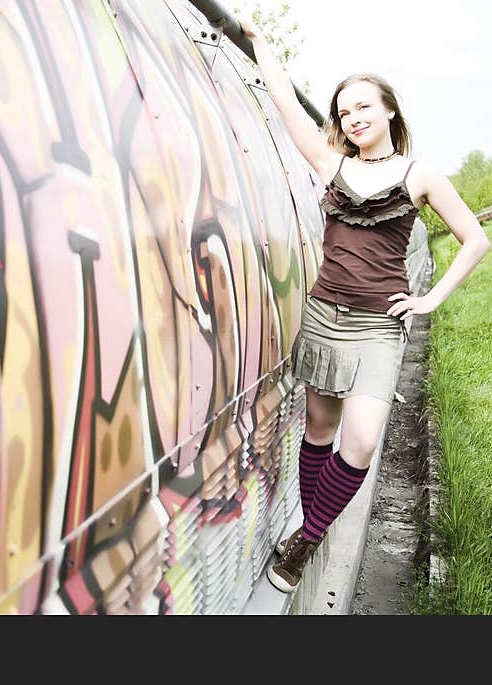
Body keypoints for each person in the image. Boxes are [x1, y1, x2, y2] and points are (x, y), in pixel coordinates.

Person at [236, 13, 491, 593]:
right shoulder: (333, 164)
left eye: (363, 107)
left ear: (389, 111)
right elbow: (283, 103)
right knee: (320, 431)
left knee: (363, 439)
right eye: (344, 111)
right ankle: (310, 535)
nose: (353, 118)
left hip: (380, 324)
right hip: (325, 316)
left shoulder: (420, 174)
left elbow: (476, 240)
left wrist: (429, 300)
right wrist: (258, 41)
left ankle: (305, 538)